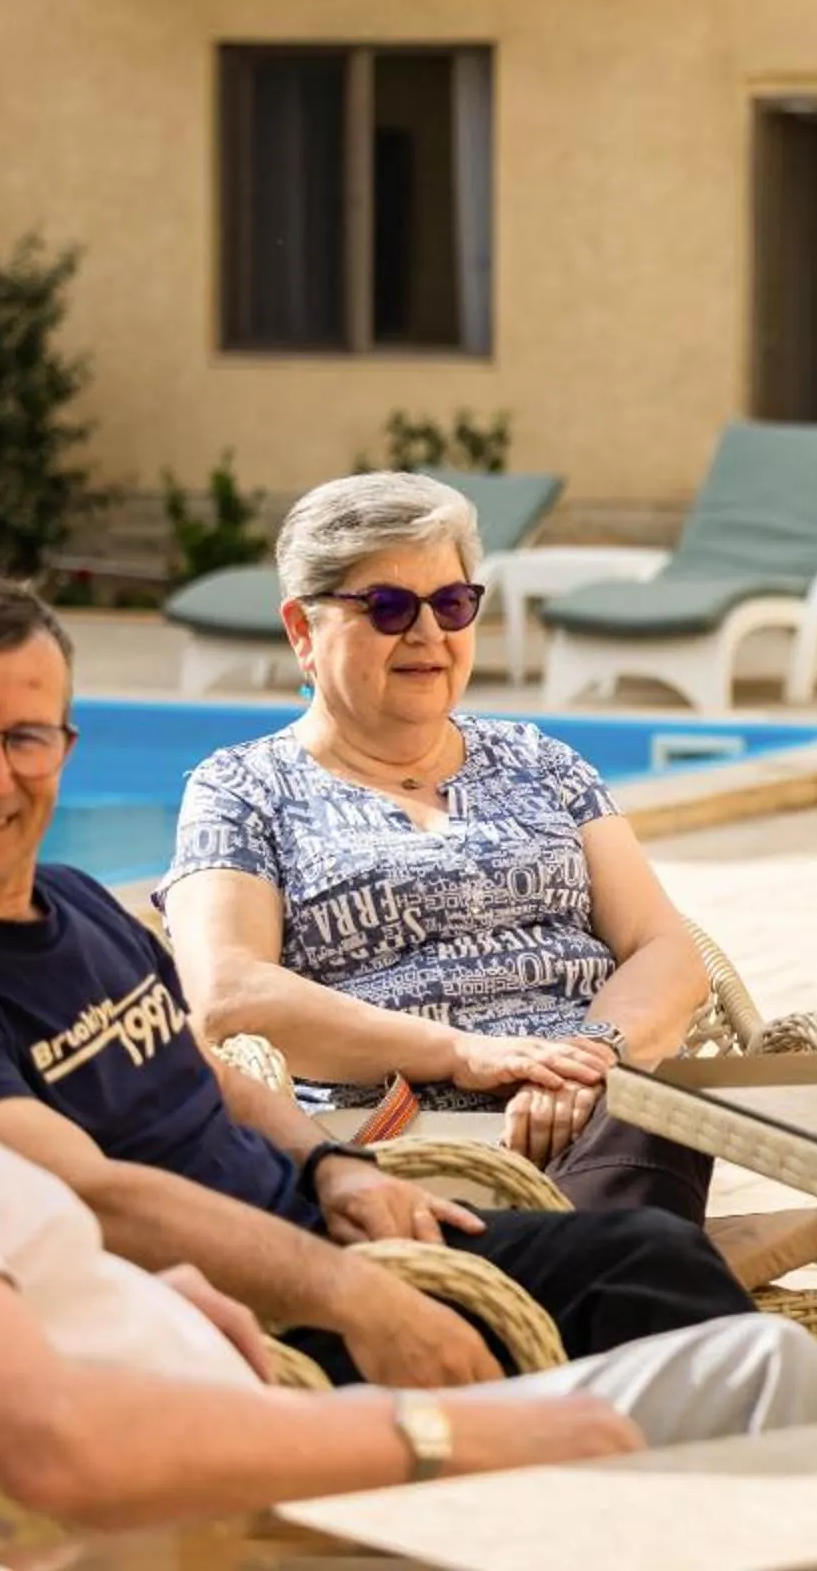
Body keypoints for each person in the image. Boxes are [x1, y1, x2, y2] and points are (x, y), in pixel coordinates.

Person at [0, 610, 817, 1534]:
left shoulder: (63, 911)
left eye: (28, 738)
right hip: (285, 1351)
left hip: (309, 1247)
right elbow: (88, 1251)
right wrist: (378, 1339)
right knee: (724, 1347)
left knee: (672, 1264)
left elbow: (208, 1078)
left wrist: (331, 1171)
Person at [162, 473, 718, 1220]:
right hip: (400, 1139)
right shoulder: (242, 789)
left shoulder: (542, 762)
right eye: (388, 607)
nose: (428, 634)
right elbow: (226, 995)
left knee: (660, 1110)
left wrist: (592, 1057)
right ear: (303, 631)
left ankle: (538, 1293)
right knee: (641, 1224)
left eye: (452, 604)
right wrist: (468, 1054)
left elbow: (666, 950)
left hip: (598, 1115)